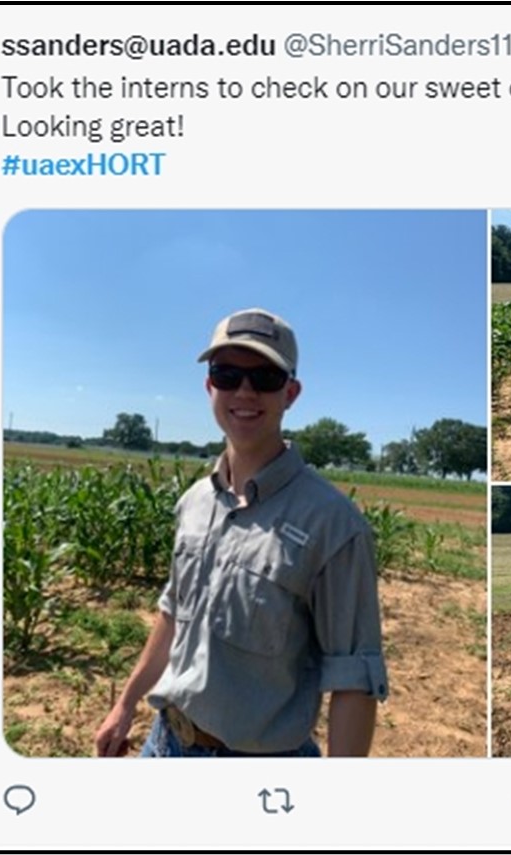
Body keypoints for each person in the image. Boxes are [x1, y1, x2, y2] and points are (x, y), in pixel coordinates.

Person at [94, 308, 388, 757]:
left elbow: (353, 681)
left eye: (265, 377)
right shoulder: (193, 503)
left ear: (291, 393)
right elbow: (173, 615)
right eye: (227, 374)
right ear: (210, 385)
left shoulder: (333, 525)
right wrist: (126, 703)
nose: (244, 391)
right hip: (165, 741)